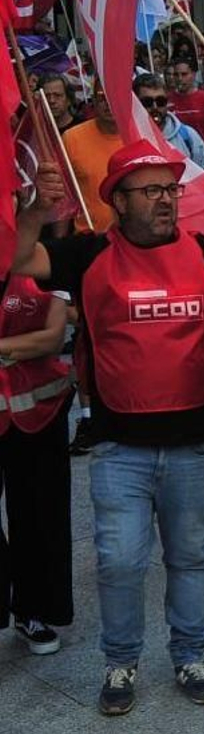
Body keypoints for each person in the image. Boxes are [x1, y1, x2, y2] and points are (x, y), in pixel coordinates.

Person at [12, 143, 204, 715]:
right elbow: (20, 264)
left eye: (170, 190)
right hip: (118, 446)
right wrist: (34, 212)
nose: (165, 201)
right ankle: (120, 662)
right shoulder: (88, 253)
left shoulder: (201, 252)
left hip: (192, 443)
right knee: (121, 560)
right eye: (150, 190)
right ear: (118, 201)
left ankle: (190, 655)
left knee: (189, 555)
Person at [0, 273, 74, 657]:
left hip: (38, 412)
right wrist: (15, 348)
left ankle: (33, 611)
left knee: (38, 512)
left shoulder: (45, 261)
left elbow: (51, 337)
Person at [61, 86, 123, 233]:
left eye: (114, 97)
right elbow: (62, 195)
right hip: (88, 237)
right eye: (102, 97)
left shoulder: (141, 134)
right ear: (93, 101)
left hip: (133, 239)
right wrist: (60, 241)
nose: (108, 103)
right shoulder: (71, 138)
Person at [166, 59, 204, 166]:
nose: (180, 78)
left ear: (193, 74)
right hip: (176, 159)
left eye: (184, 74)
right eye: (176, 74)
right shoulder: (166, 100)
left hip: (202, 159)